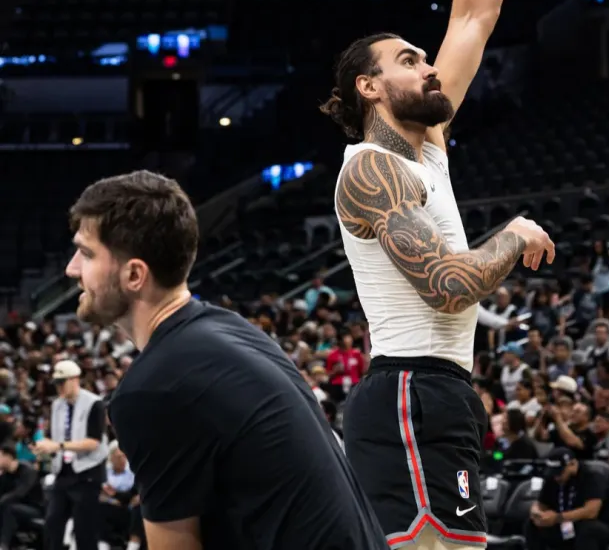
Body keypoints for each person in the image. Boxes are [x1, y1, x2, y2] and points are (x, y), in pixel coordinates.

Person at [322, 0, 555, 550]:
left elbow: (476, 14)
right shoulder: (370, 171)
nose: (429, 64)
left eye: (426, 56)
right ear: (368, 87)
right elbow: (450, 285)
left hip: (438, 392)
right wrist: (514, 234)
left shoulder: (426, 147)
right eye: (409, 59)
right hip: (409, 393)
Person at [65, 170, 389, 550]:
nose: (72, 268)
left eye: (86, 254)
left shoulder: (151, 389)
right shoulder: (232, 330)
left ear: (135, 274)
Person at [34, 358, 107, 550]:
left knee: (85, 529)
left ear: (75, 379)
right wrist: (44, 448)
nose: (58, 387)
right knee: (52, 523)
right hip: (63, 472)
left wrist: (57, 446)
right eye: (56, 383)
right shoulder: (56, 405)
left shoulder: (95, 404)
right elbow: (53, 438)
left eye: (61, 382)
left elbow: (93, 442)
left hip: (87, 472)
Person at [526, 448, 609, 550]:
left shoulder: (592, 477)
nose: (557, 478)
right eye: (554, 473)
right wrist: (537, 514)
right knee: (531, 524)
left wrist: (558, 518)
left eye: (560, 473)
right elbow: (540, 505)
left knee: (588, 529)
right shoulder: (552, 478)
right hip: (566, 524)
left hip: (597, 524)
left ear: (573, 464)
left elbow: (591, 512)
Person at [0, 441, 41, 550]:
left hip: (35, 509)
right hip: (15, 507)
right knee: (7, 507)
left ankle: (3, 545)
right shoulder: (5, 475)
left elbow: (20, 493)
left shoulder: (28, 470)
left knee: (9, 508)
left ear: (8, 456)